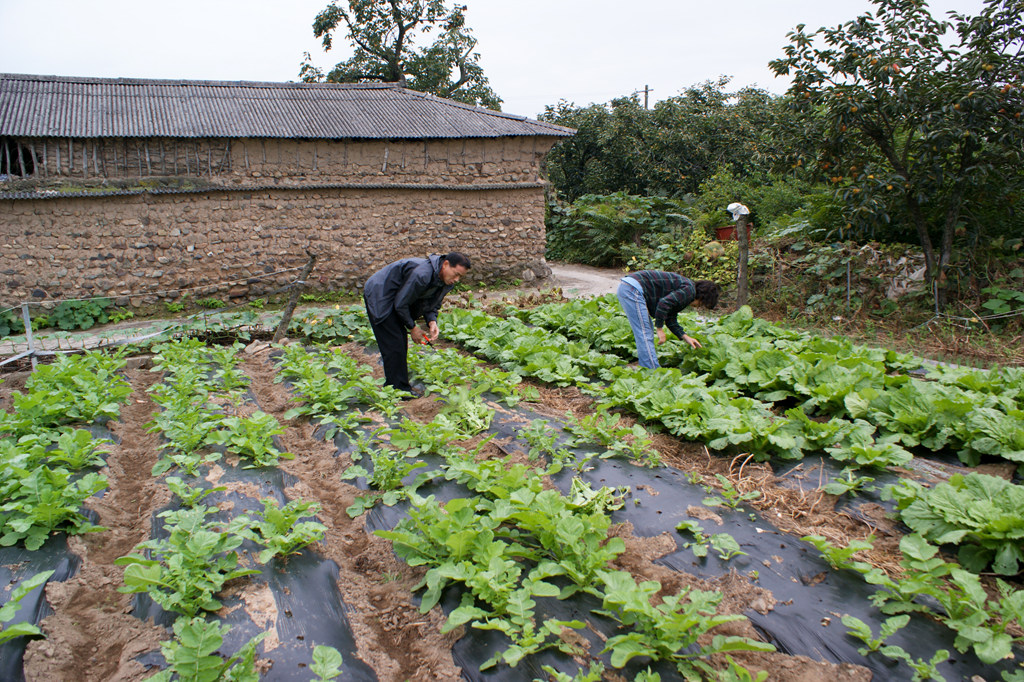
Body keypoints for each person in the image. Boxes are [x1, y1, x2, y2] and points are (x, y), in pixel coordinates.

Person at [363, 252, 471, 396]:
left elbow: (431, 304)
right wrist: (413, 327)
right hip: (381, 294)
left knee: (399, 341)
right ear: (445, 265)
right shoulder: (422, 274)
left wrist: (432, 321)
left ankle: (397, 386)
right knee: (394, 342)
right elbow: (401, 304)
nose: (456, 279)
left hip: (397, 297)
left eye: (460, 277)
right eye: (455, 274)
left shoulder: (445, 281)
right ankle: (398, 390)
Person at [616, 270, 719, 369]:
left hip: (630, 287)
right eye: (701, 304)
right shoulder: (689, 291)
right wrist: (659, 329)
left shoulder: (686, 290)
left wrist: (684, 336)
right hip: (632, 289)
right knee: (644, 332)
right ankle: (652, 371)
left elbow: (670, 316)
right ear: (702, 297)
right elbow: (663, 304)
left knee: (646, 331)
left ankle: (648, 367)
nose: (697, 307)